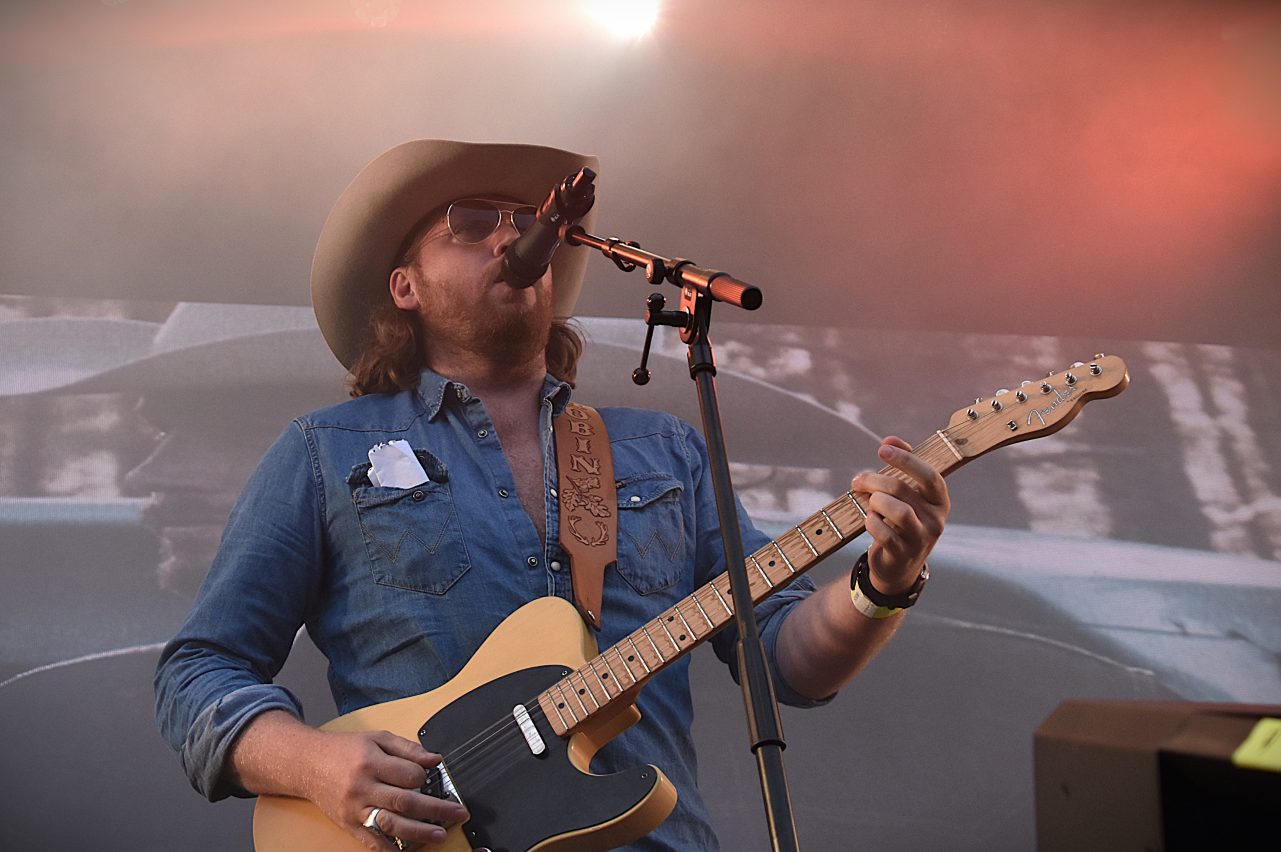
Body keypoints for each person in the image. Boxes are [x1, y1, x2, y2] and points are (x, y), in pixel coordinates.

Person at [154, 139, 950, 851]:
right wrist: (317, 764)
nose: (509, 237)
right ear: (404, 286)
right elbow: (199, 669)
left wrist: (883, 584)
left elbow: (786, 663)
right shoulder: (324, 450)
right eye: (469, 224)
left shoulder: (663, 450)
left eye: (523, 221)